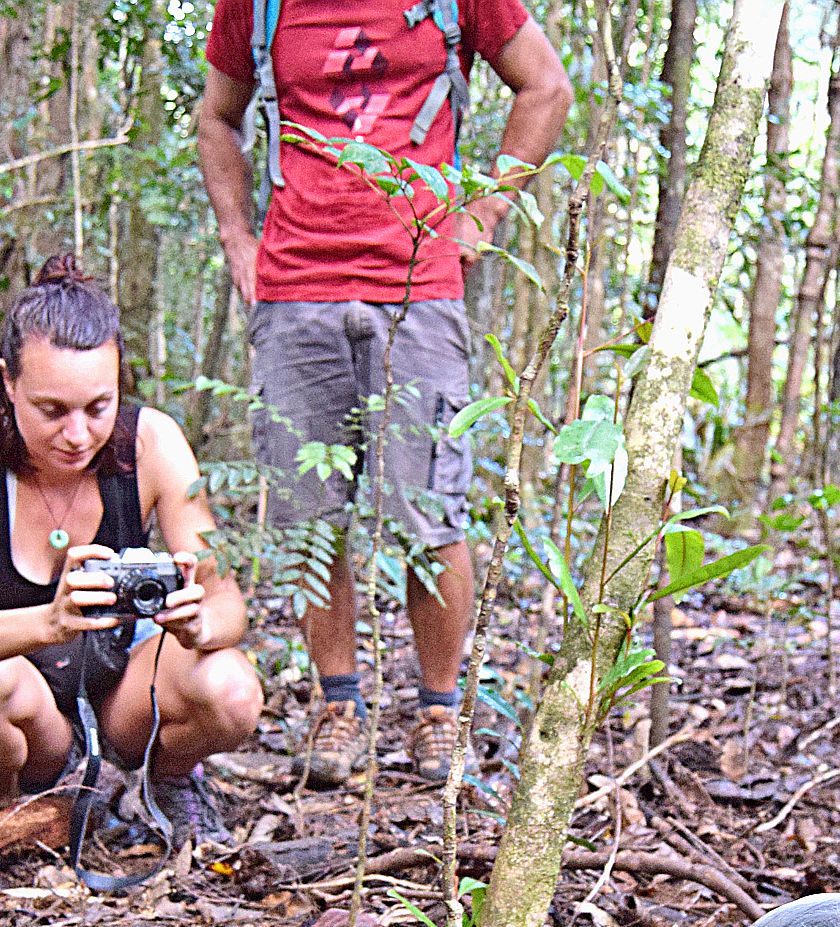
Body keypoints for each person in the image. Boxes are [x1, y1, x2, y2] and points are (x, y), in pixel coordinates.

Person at [195, 0, 571, 785]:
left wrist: (485, 211)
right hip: (296, 287)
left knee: (432, 513)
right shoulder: (261, 6)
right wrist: (238, 234)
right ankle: (339, 705)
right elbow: (218, 114)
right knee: (311, 514)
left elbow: (545, 87)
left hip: (417, 286)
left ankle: (438, 710)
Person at [0, 253, 263, 845]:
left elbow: (229, 605)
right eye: (52, 411)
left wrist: (197, 623)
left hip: (129, 690)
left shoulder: (149, 442)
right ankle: (9, 814)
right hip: (23, 702)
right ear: (8, 383)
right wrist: (49, 622)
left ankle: (167, 780)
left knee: (231, 687)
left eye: (98, 408)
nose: (77, 436)